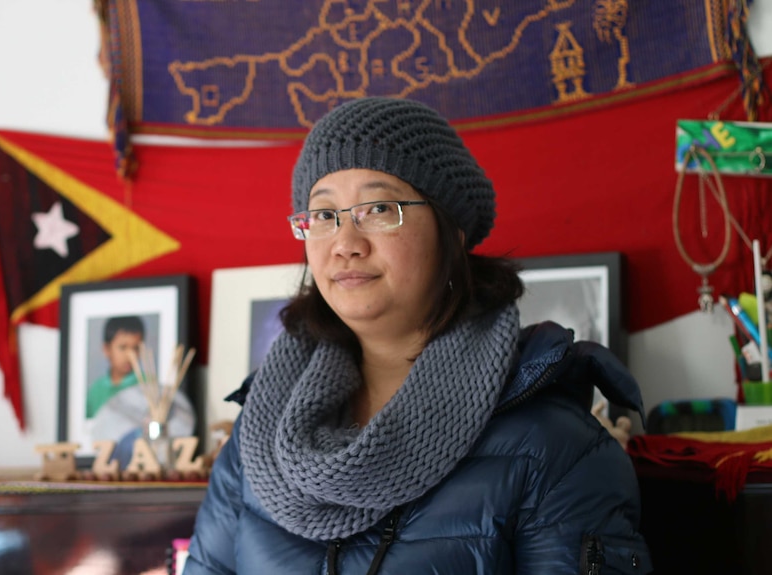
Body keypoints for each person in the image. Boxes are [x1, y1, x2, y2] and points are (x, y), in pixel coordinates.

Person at [184, 97, 651, 574]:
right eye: (324, 215)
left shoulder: (548, 443)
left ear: (453, 233)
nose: (345, 243)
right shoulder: (262, 428)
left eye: (379, 208)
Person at [86, 315, 145, 419]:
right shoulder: (96, 390)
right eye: (123, 347)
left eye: (136, 348)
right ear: (106, 349)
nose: (131, 355)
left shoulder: (148, 385)